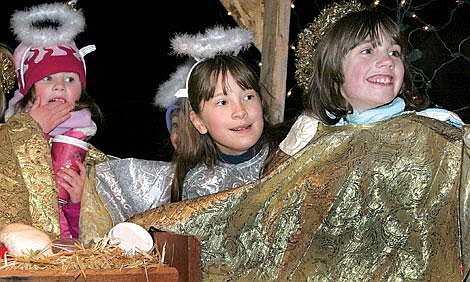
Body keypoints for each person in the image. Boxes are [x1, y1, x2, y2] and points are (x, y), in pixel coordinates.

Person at [128, 1, 470, 280]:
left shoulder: (435, 134)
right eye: (367, 50)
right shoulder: (315, 142)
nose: (387, 60)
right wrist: (150, 226)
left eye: (394, 52)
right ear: (333, 70)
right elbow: (259, 207)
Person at [94, 26, 289, 223]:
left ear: (261, 103)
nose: (240, 111)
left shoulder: (289, 159)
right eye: (222, 102)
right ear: (199, 122)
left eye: (248, 97)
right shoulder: (199, 187)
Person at [0, 2, 111, 242]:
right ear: (28, 89)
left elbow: (97, 236)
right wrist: (29, 129)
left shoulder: (87, 152)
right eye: (47, 77)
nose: (60, 85)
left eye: (71, 79)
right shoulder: (6, 137)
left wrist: (81, 201)